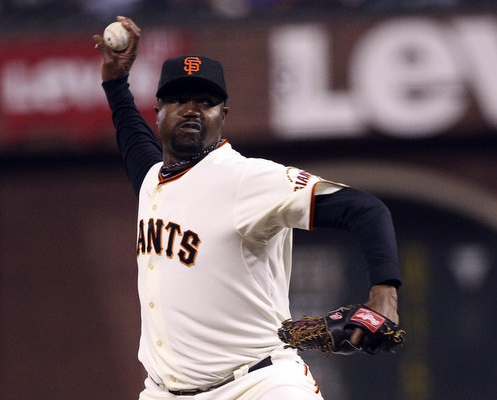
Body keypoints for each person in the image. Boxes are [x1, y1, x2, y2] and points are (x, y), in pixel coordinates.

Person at [93, 16, 401, 400]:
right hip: (164, 393)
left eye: (206, 102)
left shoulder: (247, 178)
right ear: (157, 111)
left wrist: (384, 295)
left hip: (258, 385)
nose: (191, 110)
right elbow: (129, 133)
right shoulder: (153, 180)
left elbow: (365, 209)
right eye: (178, 100)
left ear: (223, 115)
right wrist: (115, 81)